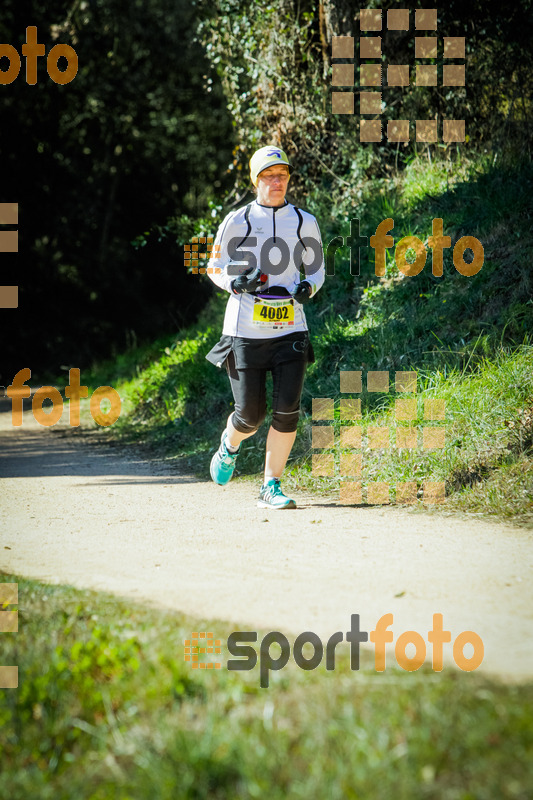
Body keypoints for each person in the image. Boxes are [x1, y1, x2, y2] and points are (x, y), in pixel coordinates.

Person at [205, 145, 325, 509]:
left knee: (288, 410)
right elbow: (214, 266)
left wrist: (309, 287)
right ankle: (230, 445)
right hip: (245, 331)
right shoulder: (237, 220)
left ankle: (270, 486)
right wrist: (236, 282)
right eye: (269, 176)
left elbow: (316, 269)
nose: (277, 182)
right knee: (250, 417)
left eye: (283, 176)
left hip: (290, 329)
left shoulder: (304, 221)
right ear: (256, 180)